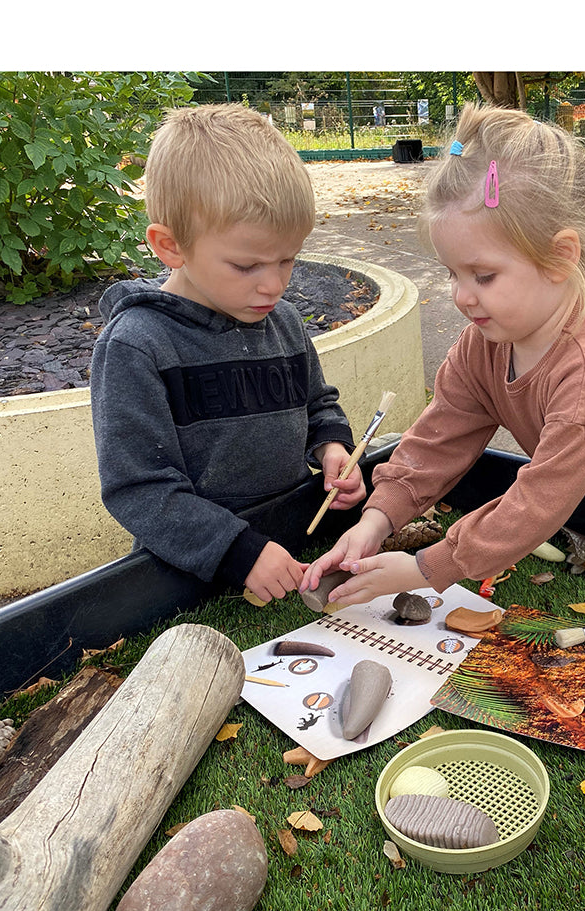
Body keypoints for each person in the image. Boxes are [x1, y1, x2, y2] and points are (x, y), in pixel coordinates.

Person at [301, 103, 585, 610]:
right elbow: (437, 438)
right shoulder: (485, 343)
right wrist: (376, 519)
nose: (461, 296)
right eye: (453, 274)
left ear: (560, 256)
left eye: (484, 275)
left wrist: (425, 567)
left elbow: (537, 502)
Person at [90, 104, 366, 603]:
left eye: (287, 259)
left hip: (296, 536)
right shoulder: (136, 345)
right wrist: (238, 551)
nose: (273, 284)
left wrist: (332, 449)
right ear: (170, 247)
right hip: (190, 575)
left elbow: (317, 403)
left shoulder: (281, 321)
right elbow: (138, 487)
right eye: (246, 265)